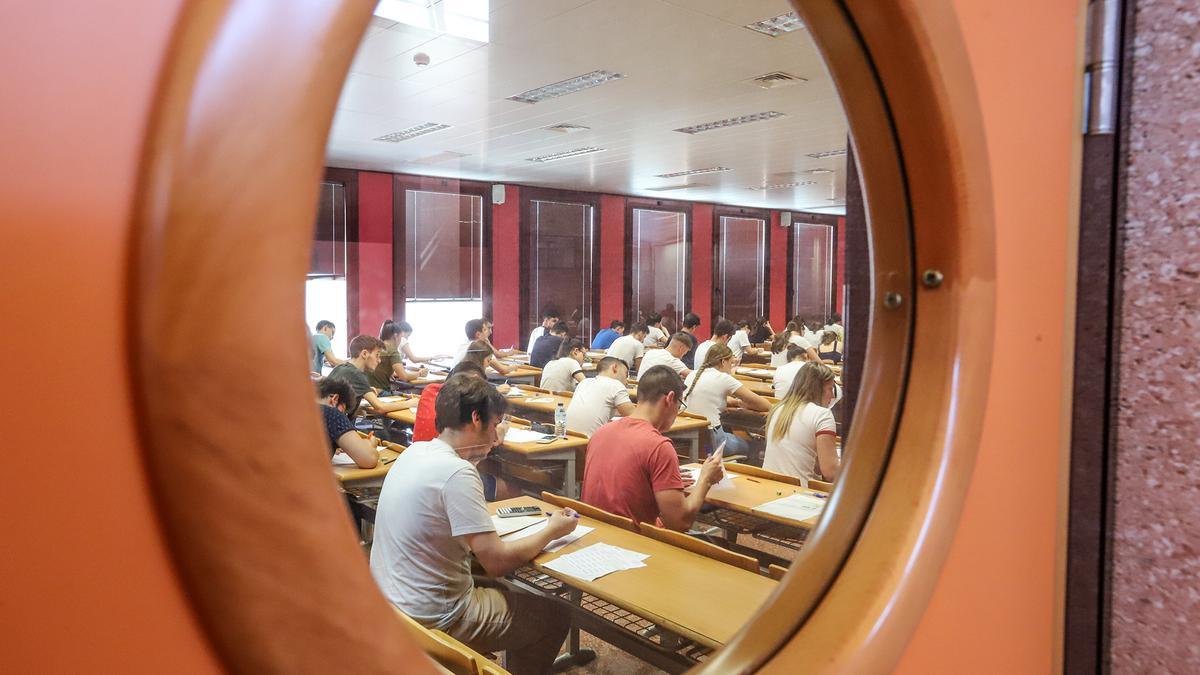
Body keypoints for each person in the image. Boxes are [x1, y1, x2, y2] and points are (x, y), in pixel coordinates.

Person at [370, 374, 577, 675]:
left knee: (505, 590)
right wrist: (552, 530)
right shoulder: (457, 473)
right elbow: (497, 562)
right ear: (476, 418)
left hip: (392, 603)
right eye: (494, 425)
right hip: (436, 615)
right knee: (554, 616)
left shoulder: (415, 452)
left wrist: (478, 452)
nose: (495, 437)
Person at [582, 365, 725, 530]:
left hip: (594, 532)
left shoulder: (601, 432)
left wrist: (660, 479)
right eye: (679, 406)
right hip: (633, 540)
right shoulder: (659, 446)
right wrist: (706, 479)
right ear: (670, 398)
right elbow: (680, 523)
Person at [683, 344, 771, 457]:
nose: (731, 367)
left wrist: (736, 402)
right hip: (713, 443)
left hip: (693, 439)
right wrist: (743, 404)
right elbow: (765, 405)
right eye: (731, 363)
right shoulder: (723, 378)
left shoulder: (693, 375)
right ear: (723, 362)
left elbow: (708, 397)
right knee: (754, 445)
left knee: (730, 431)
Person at [763, 363, 840, 483]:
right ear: (818, 389)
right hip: (801, 491)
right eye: (830, 389)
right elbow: (831, 473)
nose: (832, 396)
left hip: (768, 486)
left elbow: (815, 464)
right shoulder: (822, 415)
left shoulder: (778, 409)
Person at [328, 335, 418, 415]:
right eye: (377, 355)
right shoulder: (356, 374)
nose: (379, 360)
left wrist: (365, 390)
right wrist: (410, 403)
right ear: (364, 354)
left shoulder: (340, 367)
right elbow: (380, 408)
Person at [316, 377, 378, 469]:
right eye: (344, 412)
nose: (343, 416)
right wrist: (371, 444)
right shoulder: (332, 414)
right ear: (335, 399)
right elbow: (369, 459)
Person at [565, 357, 635, 436]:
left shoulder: (584, 382)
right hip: (591, 440)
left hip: (568, 437)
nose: (626, 381)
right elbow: (635, 417)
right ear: (615, 368)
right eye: (626, 374)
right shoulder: (616, 385)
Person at [370, 320, 428, 391]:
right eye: (401, 338)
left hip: (368, 391)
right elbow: (404, 377)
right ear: (395, 336)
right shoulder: (392, 351)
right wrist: (419, 373)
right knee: (415, 392)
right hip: (380, 392)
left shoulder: (373, 347)